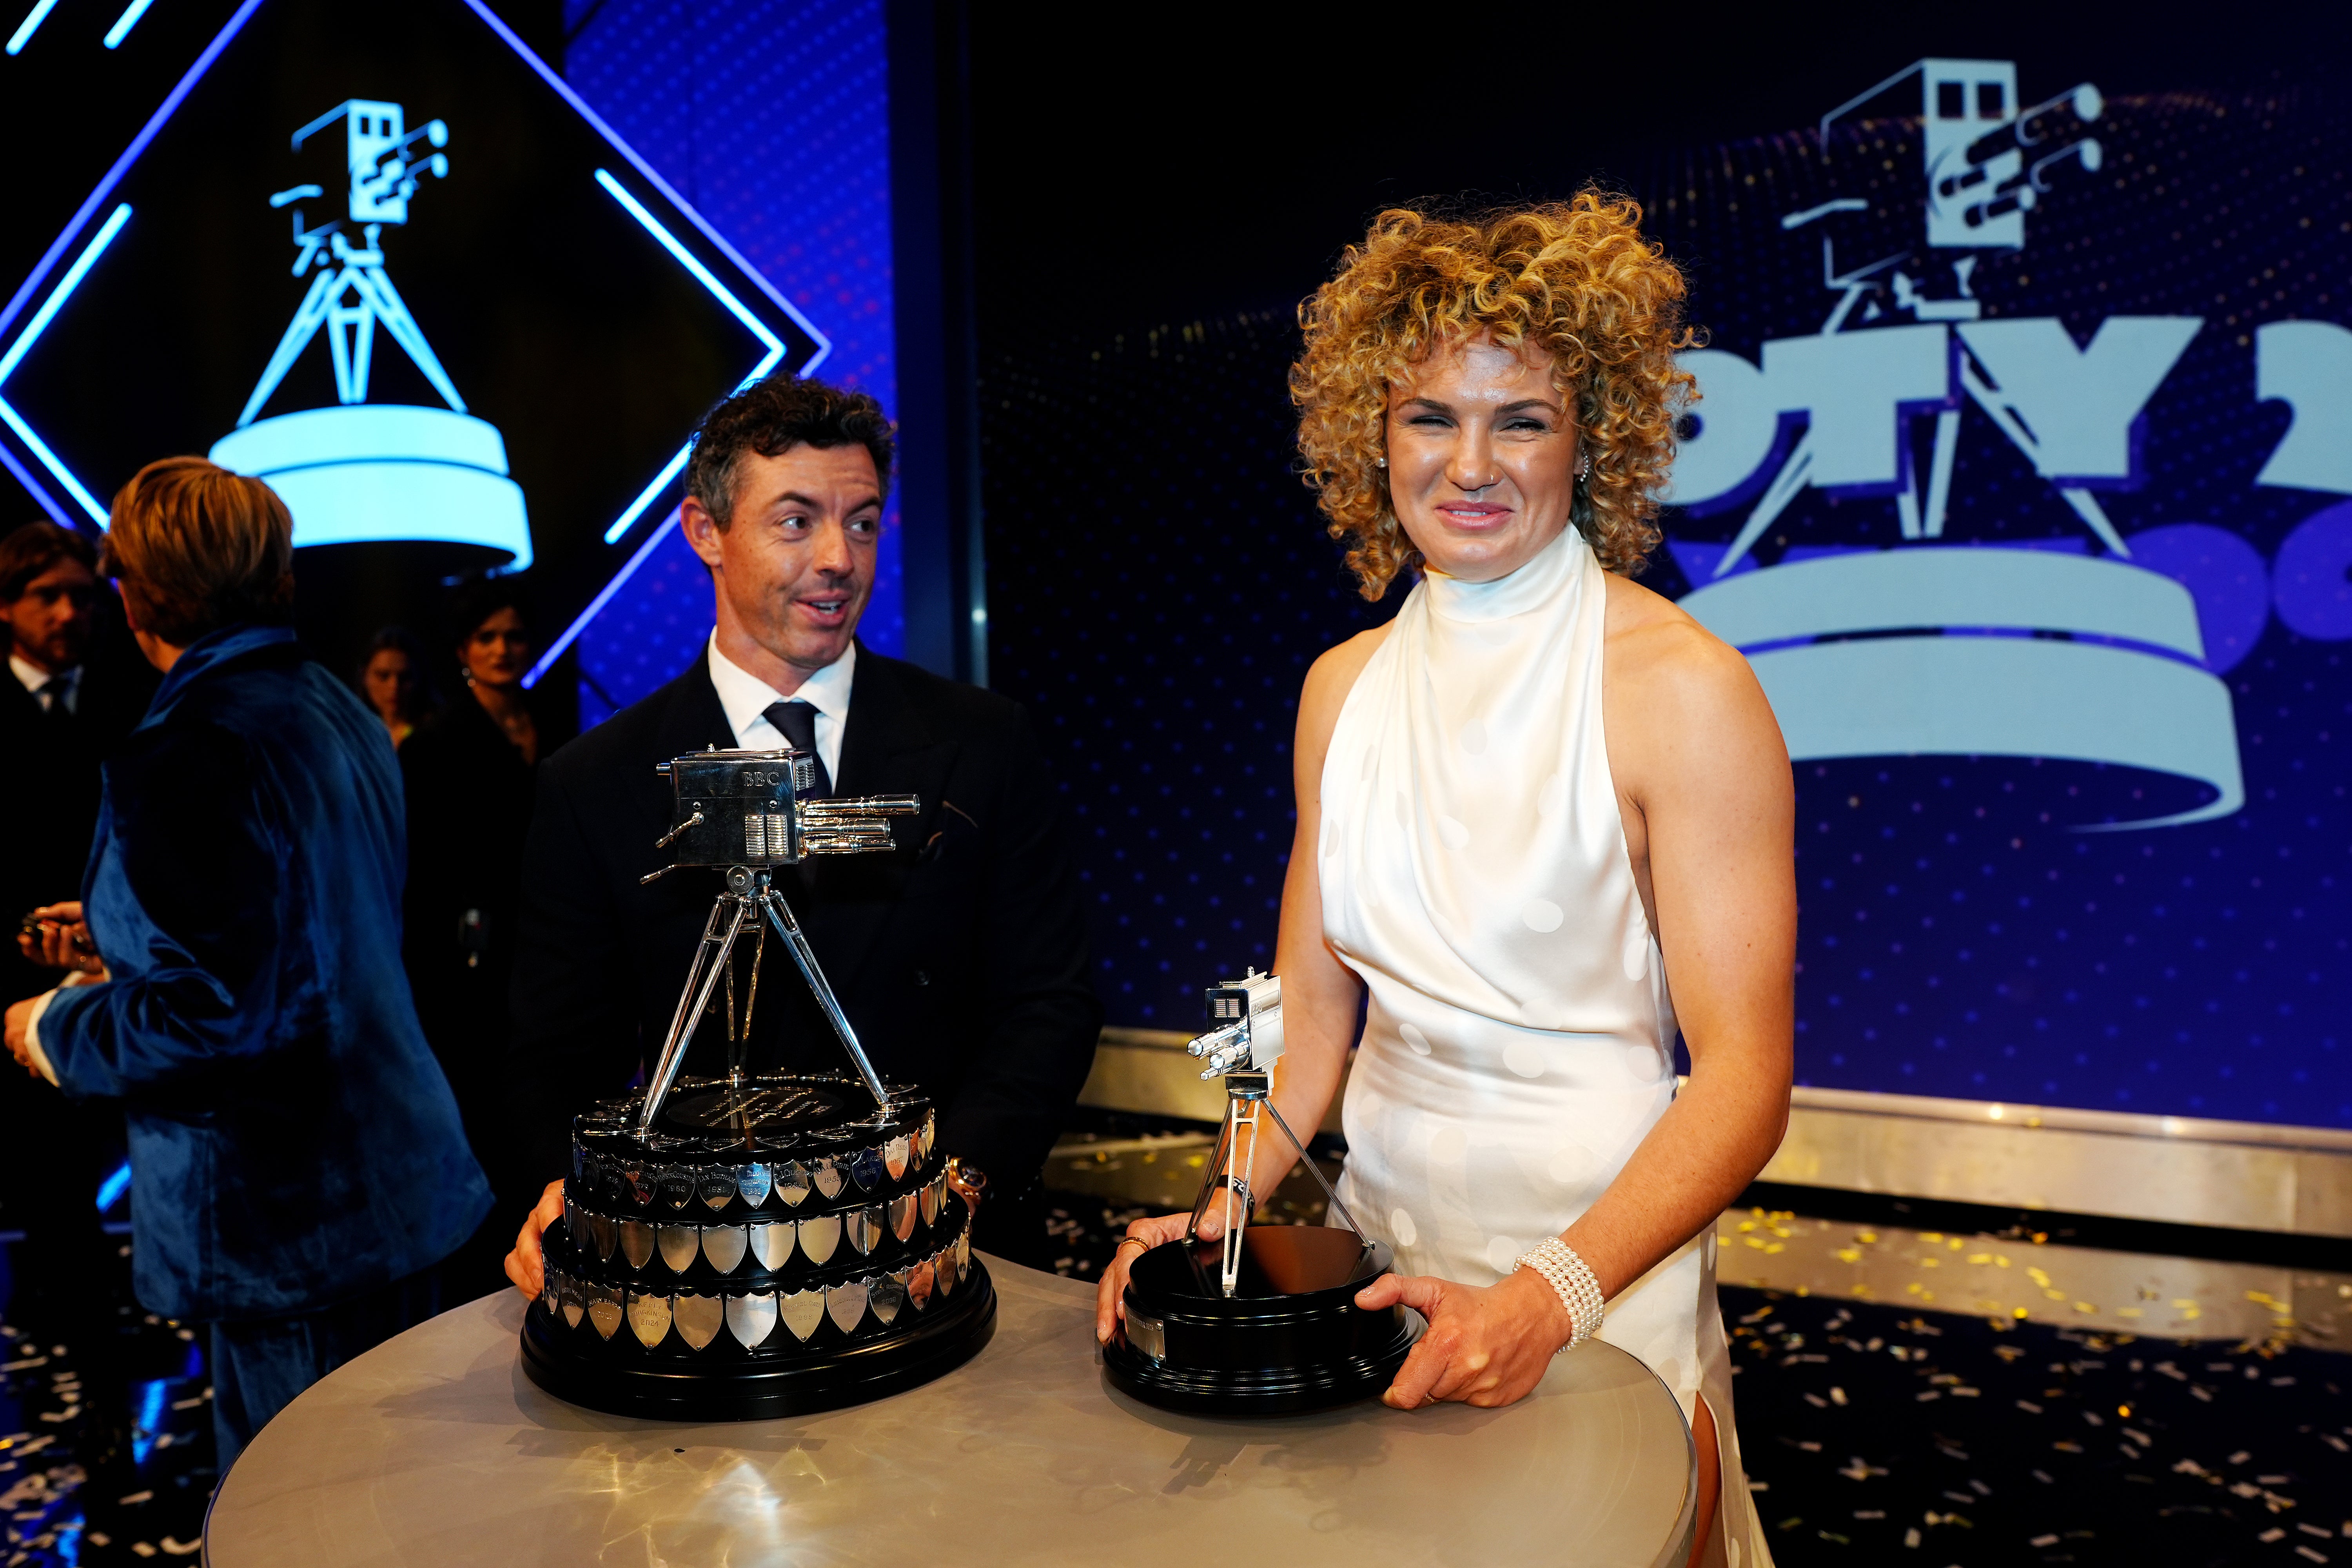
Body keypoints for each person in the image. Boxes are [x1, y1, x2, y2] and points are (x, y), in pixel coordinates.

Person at [1093, 198, 1794, 1568]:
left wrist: (1551, 1297)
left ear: (1592, 439)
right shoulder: (1337, 689)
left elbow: (1745, 1081)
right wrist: (1219, 1211)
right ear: (1374, 433)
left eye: (1519, 420)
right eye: (1430, 416)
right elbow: (1311, 1017)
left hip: (1601, 1275)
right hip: (1385, 1261)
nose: (1469, 464)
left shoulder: (1686, 691)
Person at [503, 374, 1099, 1298]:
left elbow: (1048, 1001)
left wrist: (956, 1190)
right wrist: (565, 1188)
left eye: (862, 523)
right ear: (705, 531)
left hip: (945, 1252)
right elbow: (553, 1051)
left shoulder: (984, 742)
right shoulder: (596, 781)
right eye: (796, 521)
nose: (838, 559)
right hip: (703, 1268)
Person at [3, 457, 492, 1472]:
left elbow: (219, 1015)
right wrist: (121, 934)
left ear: (140, 594)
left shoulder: (188, 746)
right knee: (400, 1504)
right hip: (391, 1185)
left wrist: (52, 1027)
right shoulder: (333, 703)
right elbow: (309, 924)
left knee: (309, 1515)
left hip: (289, 1219)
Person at [400, 579, 570, 1297]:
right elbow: (421, 871)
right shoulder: (434, 743)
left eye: (514, 636)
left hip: (552, 944)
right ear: (463, 649)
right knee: (481, 1112)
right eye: (487, 637)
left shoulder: (555, 721)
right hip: (466, 967)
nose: (503, 649)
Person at [354, 624, 434, 748]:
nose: (394, 686)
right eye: (383, 676)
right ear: (364, 676)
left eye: (405, 677)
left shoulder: (436, 734)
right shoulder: (354, 734)